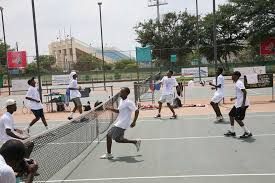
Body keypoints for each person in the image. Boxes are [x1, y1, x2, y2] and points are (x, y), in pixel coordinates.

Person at [100, 87, 140, 159]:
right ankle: (135, 142)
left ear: (126, 93)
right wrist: (109, 108)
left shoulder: (129, 102)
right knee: (118, 140)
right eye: (120, 91)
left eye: (121, 92)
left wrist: (134, 122)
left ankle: (109, 154)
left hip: (123, 123)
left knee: (109, 135)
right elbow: (118, 111)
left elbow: (136, 110)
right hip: (120, 122)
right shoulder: (122, 101)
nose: (120, 93)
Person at [224, 71, 252, 138]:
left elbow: (245, 92)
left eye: (232, 75)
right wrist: (234, 98)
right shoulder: (237, 83)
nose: (231, 76)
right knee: (231, 115)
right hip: (237, 103)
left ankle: (247, 132)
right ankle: (232, 131)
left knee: (237, 118)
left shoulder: (239, 83)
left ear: (236, 76)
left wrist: (243, 103)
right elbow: (240, 93)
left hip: (242, 104)